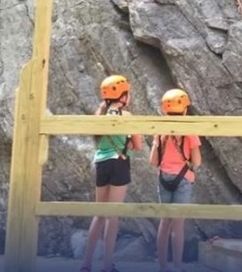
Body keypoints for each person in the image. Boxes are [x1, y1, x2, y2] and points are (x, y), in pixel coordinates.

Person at [80, 75, 143, 272]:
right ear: (123, 96)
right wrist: (127, 143)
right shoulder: (128, 117)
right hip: (119, 163)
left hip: (101, 163)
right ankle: (107, 265)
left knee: (99, 213)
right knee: (112, 215)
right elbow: (138, 145)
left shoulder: (100, 115)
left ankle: (86, 264)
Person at [149, 89, 202, 272]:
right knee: (178, 224)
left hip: (164, 177)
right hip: (183, 178)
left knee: (165, 222)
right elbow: (197, 161)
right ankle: (177, 266)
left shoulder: (161, 131)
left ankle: (163, 266)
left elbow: (153, 161)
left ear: (165, 109)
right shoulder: (190, 131)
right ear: (185, 109)